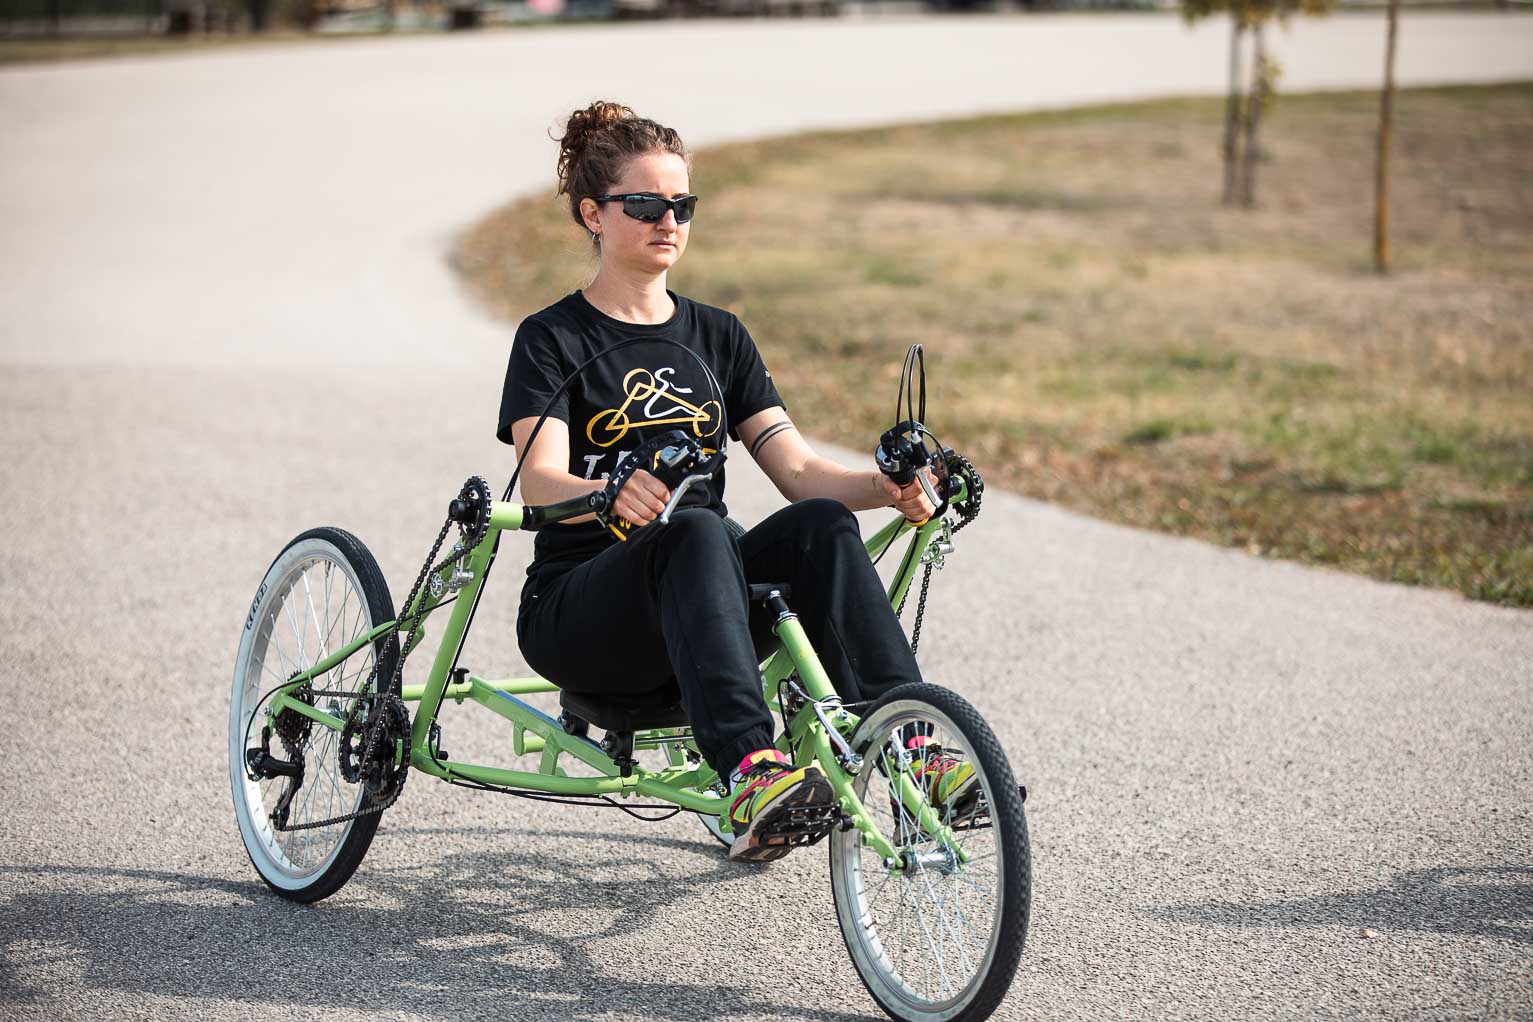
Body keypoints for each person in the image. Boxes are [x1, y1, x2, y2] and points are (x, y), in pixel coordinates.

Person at [497, 101, 973, 861]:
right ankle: (751, 771)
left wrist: (885, 487)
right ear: (593, 213)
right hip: (584, 608)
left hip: (701, 600)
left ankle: (911, 743)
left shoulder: (718, 334)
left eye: (682, 205)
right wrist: (604, 492)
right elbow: (539, 482)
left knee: (818, 525)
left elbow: (797, 470)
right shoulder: (553, 338)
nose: (669, 221)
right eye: (645, 204)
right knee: (693, 527)